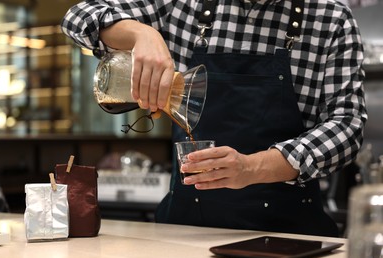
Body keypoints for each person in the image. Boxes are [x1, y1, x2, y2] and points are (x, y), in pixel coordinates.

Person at [61, 0, 367, 237]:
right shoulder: (183, 5)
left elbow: (347, 126)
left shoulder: (330, 18)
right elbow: (78, 17)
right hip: (186, 231)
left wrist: (251, 168)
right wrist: (143, 33)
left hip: (289, 232)